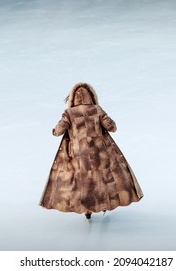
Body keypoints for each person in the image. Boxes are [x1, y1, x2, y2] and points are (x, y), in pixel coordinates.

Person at [40, 82, 143, 219]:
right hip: (99, 153)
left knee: (82, 181)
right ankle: (103, 202)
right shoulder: (97, 109)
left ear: (72, 98)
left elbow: (58, 131)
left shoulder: (69, 113)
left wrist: (54, 131)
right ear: (91, 95)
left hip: (77, 154)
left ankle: (87, 209)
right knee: (101, 178)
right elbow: (112, 127)